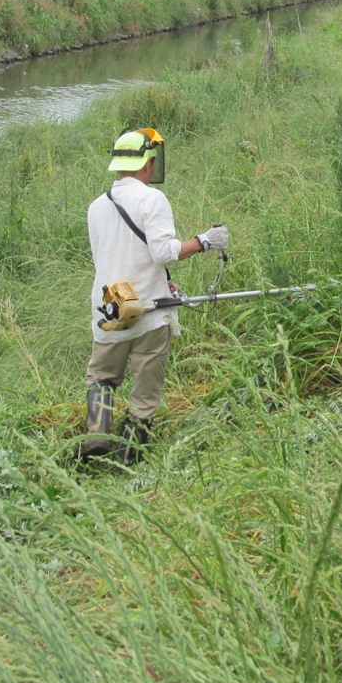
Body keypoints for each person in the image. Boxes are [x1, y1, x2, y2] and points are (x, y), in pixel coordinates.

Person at [80, 127, 229, 464]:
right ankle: (128, 458)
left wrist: (167, 282)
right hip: (149, 309)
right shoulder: (152, 199)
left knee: (101, 377)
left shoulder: (96, 207)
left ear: (119, 165)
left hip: (110, 308)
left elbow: (112, 258)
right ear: (148, 163)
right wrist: (205, 240)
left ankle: (97, 434)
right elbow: (164, 252)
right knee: (144, 395)